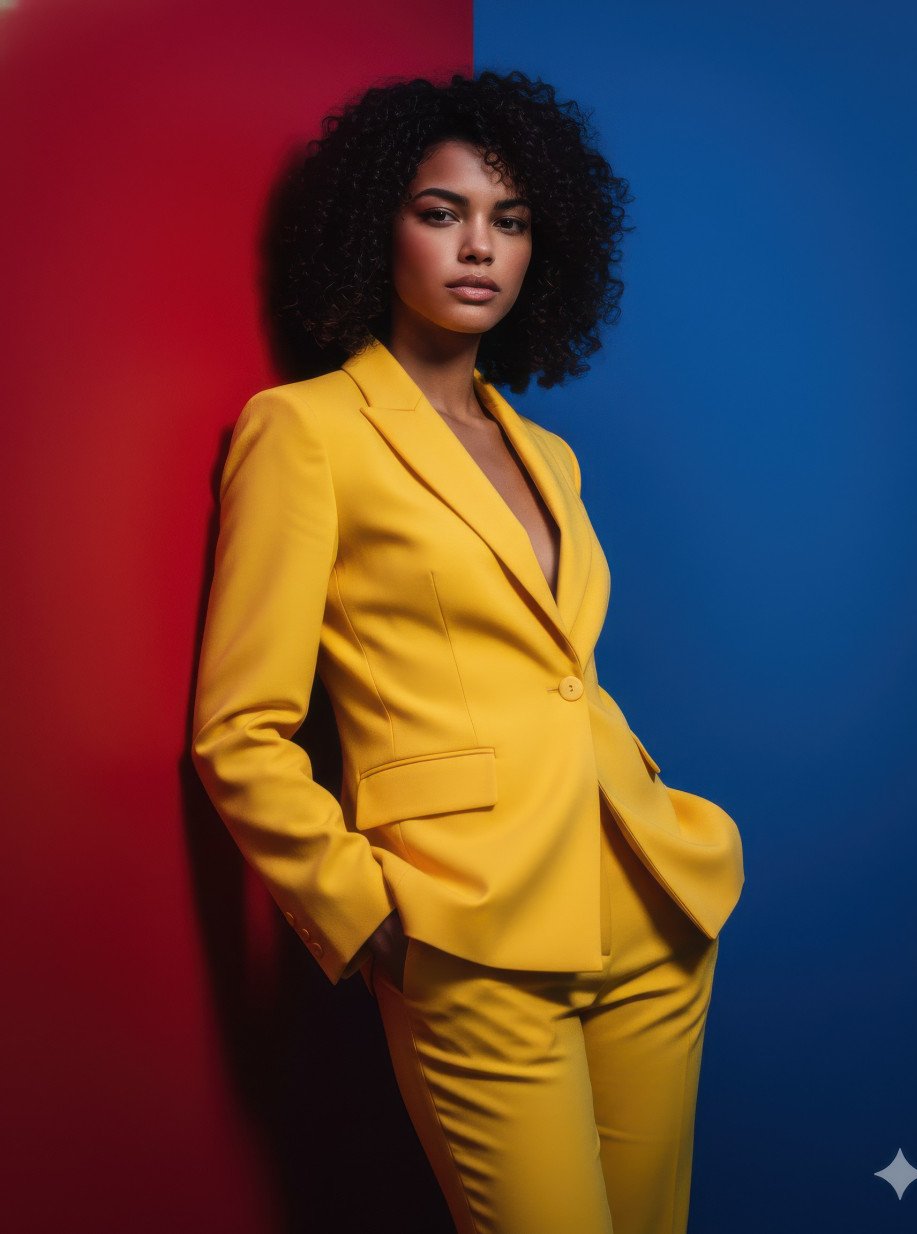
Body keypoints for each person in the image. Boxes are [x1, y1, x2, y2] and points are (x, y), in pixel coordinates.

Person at [192, 69, 745, 1234]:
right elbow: (237, 729)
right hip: (468, 928)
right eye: (441, 213)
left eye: (510, 219)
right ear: (375, 227)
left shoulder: (546, 451)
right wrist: (357, 909)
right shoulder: (306, 433)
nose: (478, 247)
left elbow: (555, 669)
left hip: (645, 903)